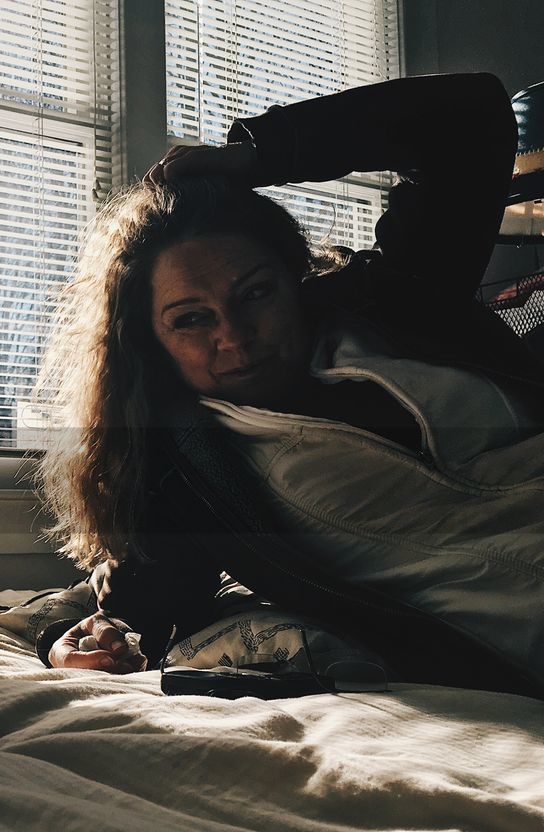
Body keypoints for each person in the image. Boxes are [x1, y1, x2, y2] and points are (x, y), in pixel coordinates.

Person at [32, 71, 544, 698]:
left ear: (293, 279)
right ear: (148, 341)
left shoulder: (397, 301)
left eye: (256, 294)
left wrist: (257, 155)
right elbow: (139, 600)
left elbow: (470, 115)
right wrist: (68, 638)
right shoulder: (186, 467)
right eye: (191, 320)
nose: (236, 337)